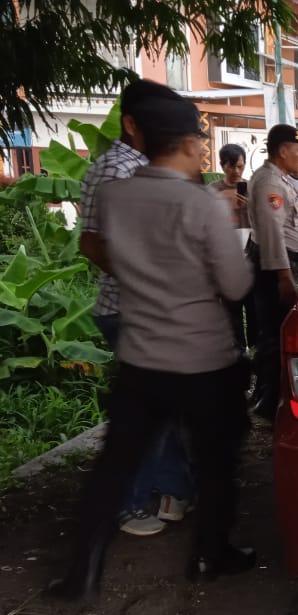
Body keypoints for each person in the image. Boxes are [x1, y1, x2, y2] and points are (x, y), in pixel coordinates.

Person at [47, 95, 255, 600]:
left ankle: (83, 572)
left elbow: (113, 258)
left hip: (141, 357)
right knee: (215, 464)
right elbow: (235, 285)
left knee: (114, 465)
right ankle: (210, 555)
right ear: (186, 144)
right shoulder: (200, 202)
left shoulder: (118, 197)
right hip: (203, 361)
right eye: (200, 144)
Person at [79, 78, 195, 537]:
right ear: (132, 123)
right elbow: (92, 244)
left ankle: (174, 489)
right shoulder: (118, 171)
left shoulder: (147, 167)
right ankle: (126, 504)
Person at [247, 124, 298, 421]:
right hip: (275, 268)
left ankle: (266, 397)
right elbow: (272, 233)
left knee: (272, 332)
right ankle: (269, 403)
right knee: (275, 334)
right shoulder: (271, 183)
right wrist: (285, 277)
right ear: (282, 151)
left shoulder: (277, 178)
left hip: (277, 263)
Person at [209, 143, 257, 357]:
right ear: (222, 166)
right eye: (232, 167)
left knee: (254, 307)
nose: (237, 172)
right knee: (232, 309)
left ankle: (256, 350)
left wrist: (251, 206)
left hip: (251, 254)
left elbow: (265, 222)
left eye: (240, 166)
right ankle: (240, 352)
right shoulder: (213, 191)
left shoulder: (252, 188)